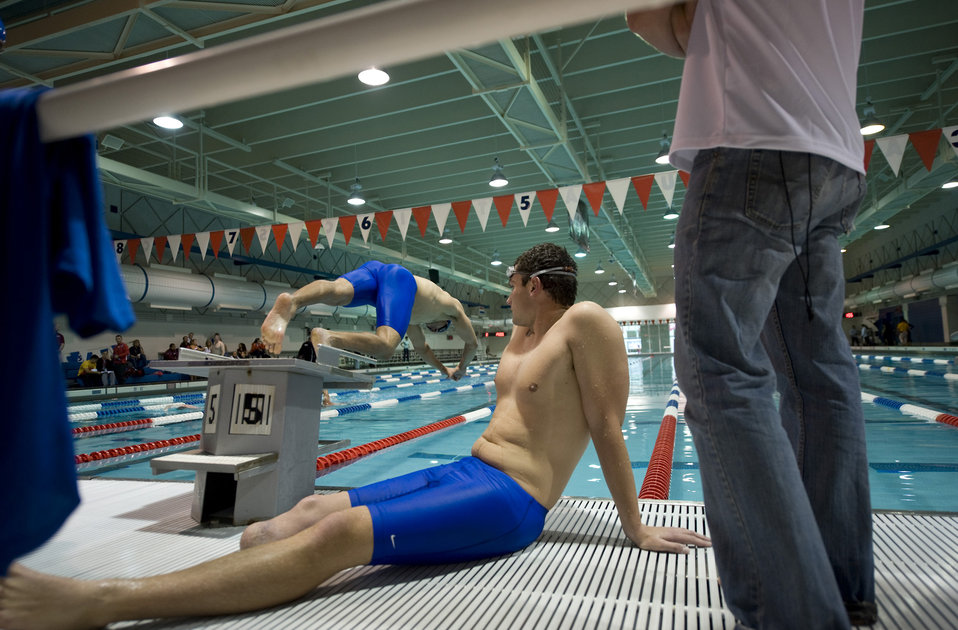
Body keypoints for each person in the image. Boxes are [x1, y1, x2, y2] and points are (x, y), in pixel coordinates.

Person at [0, 243, 710, 629]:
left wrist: (637, 527)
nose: (509, 291)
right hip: (466, 468)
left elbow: (609, 429)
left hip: (512, 499)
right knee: (300, 517)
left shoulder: (587, 322)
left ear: (534, 281)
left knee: (329, 543)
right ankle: (236, 581)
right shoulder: (523, 334)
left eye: (515, 281)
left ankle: (105, 602)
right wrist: (445, 351)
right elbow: (466, 335)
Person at [627, 0, 876, 628]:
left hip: (752, 136)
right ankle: (845, 593)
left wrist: (700, 23)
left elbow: (648, 17)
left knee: (719, 372)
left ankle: (793, 614)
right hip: (836, 153)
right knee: (820, 377)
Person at [262, 260, 479, 380]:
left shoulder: (412, 318)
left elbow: (423, 349)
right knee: (385, 347)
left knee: (337, 291)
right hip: (400, 279)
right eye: (439, 330)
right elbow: (472, 343)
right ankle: (329, 337)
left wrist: (445, 370)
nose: (433, 329)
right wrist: (462, 367)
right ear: (445, 324)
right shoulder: (454, 309)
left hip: (376, 269)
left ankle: (293, 301)